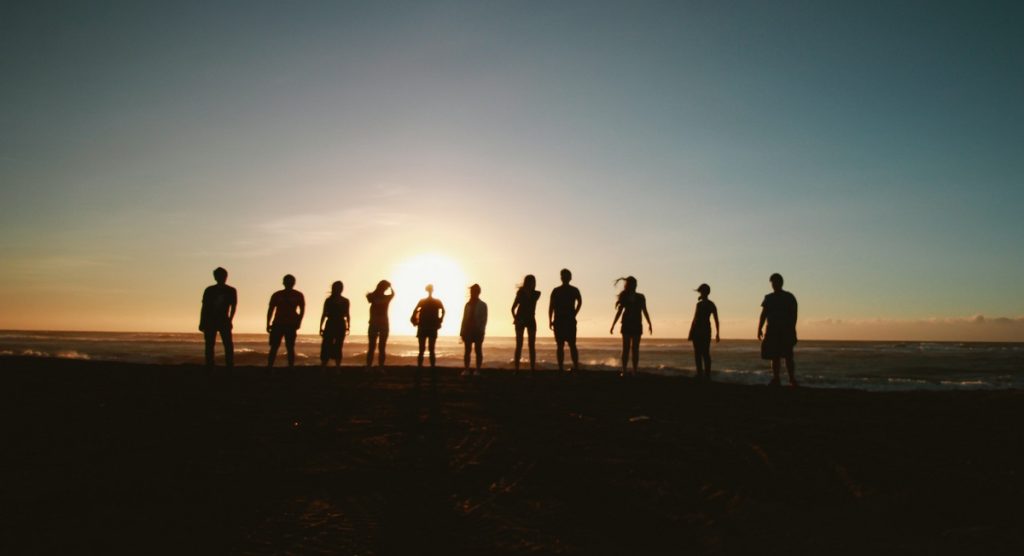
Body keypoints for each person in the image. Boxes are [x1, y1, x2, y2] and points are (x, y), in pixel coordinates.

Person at [758, 273, 798, 386]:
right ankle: (776, 378)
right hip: (772, 330)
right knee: (775, 356)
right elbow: (763, 314)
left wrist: (792, 328)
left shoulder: (789, 297)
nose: (774, 285)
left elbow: (794, 314)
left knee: (788, 356)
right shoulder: (769, 298)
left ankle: (791, 379)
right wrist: (759, 328)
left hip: (785, 330)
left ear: (780, 283)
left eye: (775, 282)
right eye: (773, 283)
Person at [609, 276, 652, 377]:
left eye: (635, 284)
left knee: (635, 349)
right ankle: (624, 370)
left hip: (637, 324)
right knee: (626, 348)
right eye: (633, 284)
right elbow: (619, 311)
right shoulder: (624, 296)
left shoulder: (641, 297)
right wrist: (613, 325)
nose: (635, 285)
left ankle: (634, 371)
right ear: (629, 285)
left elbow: (645, 310)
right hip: (627, 324)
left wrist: (649, 323)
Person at [199, 267, 237, 368]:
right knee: (210, 345)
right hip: (211, 320)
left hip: (223, 320)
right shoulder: (209, 290)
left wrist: (230, 319)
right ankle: (210, 364)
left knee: (227, 344)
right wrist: (202, 321)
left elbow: (233, 306)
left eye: (222, 276)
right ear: (215, 277)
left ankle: (229, 364)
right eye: (219, 276)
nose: (221, 278)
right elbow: (205, 307)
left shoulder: (231, 290)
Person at [267, 274, 305, 368]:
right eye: (287, 281)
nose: (289, 283)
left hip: (290, 324)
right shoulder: (277, 294)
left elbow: (302, 310)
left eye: (290, 282)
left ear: (293, 283)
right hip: (278, 323)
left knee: (290, 347)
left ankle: (290, 367)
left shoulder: (298, 295)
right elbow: (271, 309)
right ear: (283, 282)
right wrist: (268, 323)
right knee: (274, 347)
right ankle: (270, 366)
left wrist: (299, 321)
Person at [548, 268, 582, 373]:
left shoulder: (571, 290)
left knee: (568, 345)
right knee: (563, 345)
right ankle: (564, 367)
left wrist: (574, 313)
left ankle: (568, 367)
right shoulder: (557, 290)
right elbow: (551, 306)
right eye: (564, 276)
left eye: (566, 276)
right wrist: (550, 320)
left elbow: (580, 301)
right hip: (561, 320)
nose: (565, 278)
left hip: (566, 320)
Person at [687, 283, 720, 381]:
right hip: (699, 330)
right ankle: (701, 374)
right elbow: (695, 319)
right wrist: (691, 331)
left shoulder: (710, 304)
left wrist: (718, 333)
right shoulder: (700, 304)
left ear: (706, 292)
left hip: (704, 330)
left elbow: (716, 319)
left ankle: (706, 375)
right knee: (699, 353)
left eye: (702, 292)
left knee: (704, 353)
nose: (701, 293)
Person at [411, 284, 445, 371]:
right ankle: (431, 367)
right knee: (431, 349)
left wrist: (414, 319)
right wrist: (440, 320)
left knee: (422, 349)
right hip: (431, 327)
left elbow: (415, 310)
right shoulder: (436, 301)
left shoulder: (423, 301)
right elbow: (443, 311)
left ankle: (420, 367)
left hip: (423, 326)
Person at [511, 274, 541, 373]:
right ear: (528, 282)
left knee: (531, 345)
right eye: (532, 282)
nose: (534, 284)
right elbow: (513, 308)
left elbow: (533, 299)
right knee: (519, 344)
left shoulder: (536, 293)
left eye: (534, 282)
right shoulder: (520, 293)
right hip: (520, 319)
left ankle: (532, 368)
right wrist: (516, 318)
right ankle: (516, 368)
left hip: (531, 319)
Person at [319, 281, 350, 367]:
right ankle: (325, 366)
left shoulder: (344, 301)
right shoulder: (329, 300)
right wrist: (321, 326)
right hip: (332, 323)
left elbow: (347, 314)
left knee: (338, 346)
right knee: (326, 345)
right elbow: (324, 314)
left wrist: (348, 326)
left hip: (338, 323)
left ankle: (336, 367)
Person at [460, 284, 488, 376]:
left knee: (478, 350)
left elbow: (484, 319)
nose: (473, 293)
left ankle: (478, 369)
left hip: (477, 330)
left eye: (475, 291)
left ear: (478, 292)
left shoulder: (483, 305)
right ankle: (466, 369)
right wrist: (462, 331)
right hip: (468, 330)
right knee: (467, 350)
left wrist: (481, 330)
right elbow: (464, 318)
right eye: (472, 291)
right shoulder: (467, 305)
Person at [365, 280, 394, 367]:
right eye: (385, 287)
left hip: (379, 323)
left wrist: (390, 287)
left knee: (377, 347)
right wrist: (391, 287)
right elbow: (393, 294)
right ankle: (371, 366)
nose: (386, 289)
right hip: (378, 323)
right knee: (375, 347)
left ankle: (374, 366)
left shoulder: (374, 296)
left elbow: (370, 298)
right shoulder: (384, 298)